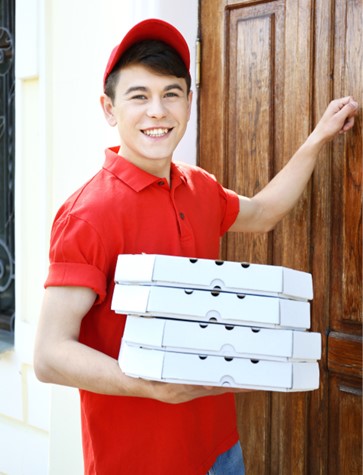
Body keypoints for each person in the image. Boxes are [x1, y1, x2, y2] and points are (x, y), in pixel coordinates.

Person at [33, 18, 358, 475]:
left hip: (221, 450)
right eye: (139, 96)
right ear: (109, 109)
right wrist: (150, 385)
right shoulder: (88, 213)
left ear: (189, 100)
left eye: (171, 93)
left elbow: (264, 212)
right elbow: (49, 355)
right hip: (139, 461)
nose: (157, 111)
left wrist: (319, 137)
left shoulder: (198, 188)